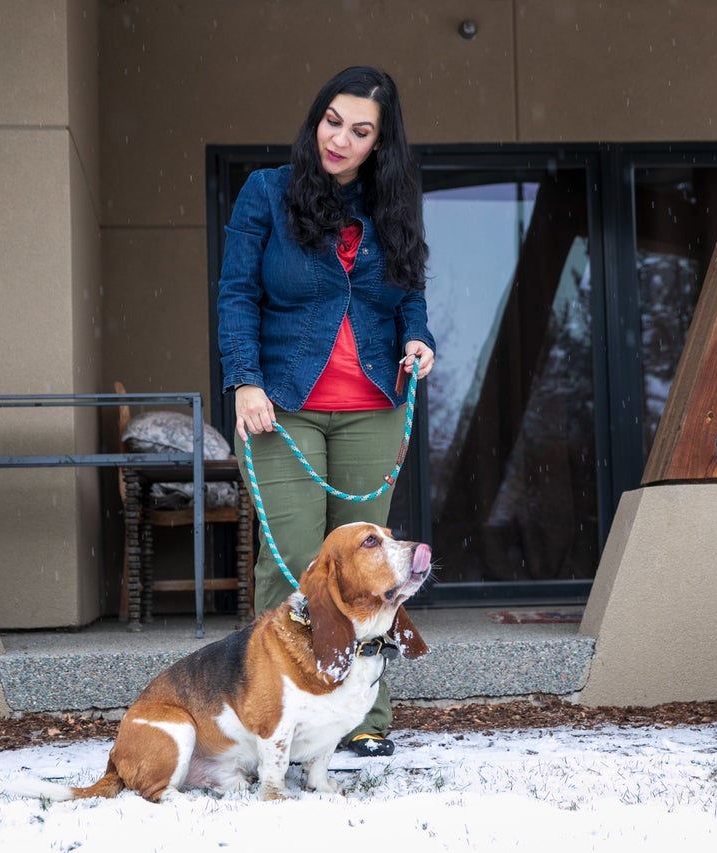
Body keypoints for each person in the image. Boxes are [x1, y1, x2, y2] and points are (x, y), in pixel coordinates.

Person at [217, 66, 435, 757]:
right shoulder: (265, 193)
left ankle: (362, 717)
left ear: (380, 144)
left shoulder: (391, 205)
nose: (340, 139)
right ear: (316, 119)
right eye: (333, 121)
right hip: (282, 408)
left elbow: (409, 292)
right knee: (289, 567)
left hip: (374, 405)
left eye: (360, 131)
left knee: (371, 571)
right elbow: (236, 293)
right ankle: (273, 718)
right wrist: (245, 379)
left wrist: (418, 337)